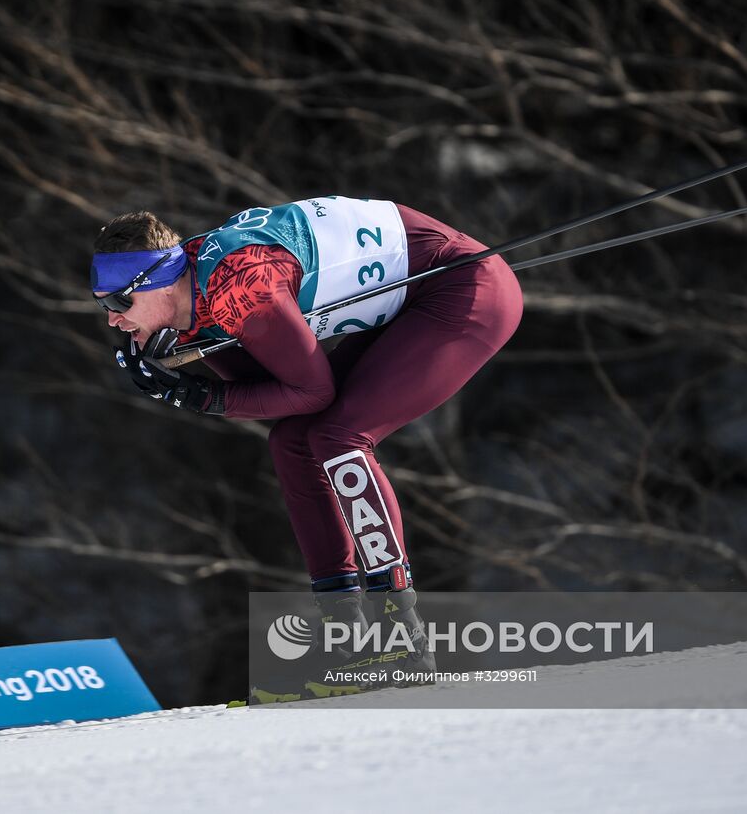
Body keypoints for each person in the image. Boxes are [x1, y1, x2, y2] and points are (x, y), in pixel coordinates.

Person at [90, 196, 523, 699]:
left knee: (339, 436)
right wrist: (189, 376)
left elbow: (309, 392)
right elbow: (275, 392)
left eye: (119, 303)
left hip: (462, 288)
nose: (112, 321)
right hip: (408, 299)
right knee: (294, 442)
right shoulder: (194, 297)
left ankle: (404, 640)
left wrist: (198, 393)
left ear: (158, 281)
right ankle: (345, 639)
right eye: (103, 306)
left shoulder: (239, 287)